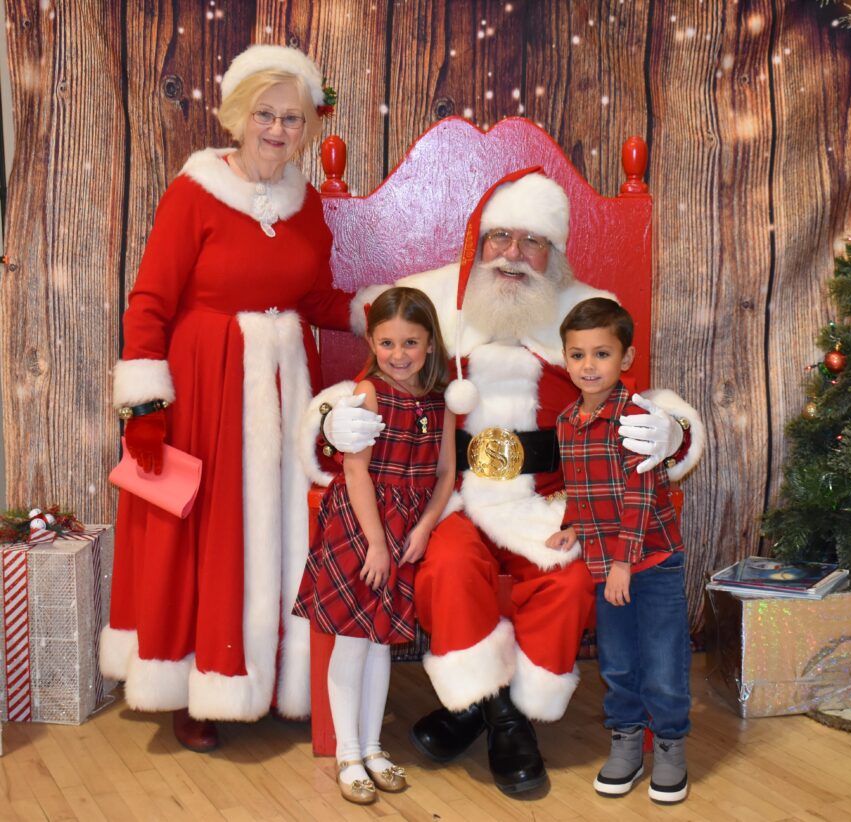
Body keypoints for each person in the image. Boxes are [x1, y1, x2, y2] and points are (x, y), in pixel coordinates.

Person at [304, 168, 704, 795]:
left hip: (549, 501)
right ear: (478, 243)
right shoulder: (431, 305)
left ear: (556, 253)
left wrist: (674, 433)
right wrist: (332, 422)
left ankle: (480, 710)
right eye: (501, 237)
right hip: (453, 497)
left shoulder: (585, 318)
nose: (514, 255)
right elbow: (370, 381)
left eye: (532, 241)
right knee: (446, 569)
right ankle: (505, 720)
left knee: (570, 577)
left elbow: (647, 400)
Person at [99, 44, 383, 753]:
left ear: (306, 127)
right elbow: (150, 302)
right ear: (239, 115)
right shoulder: (194, 192)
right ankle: (196, 684)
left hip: (283, 390)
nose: (278, 130)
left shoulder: (307, 204)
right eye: (266, 114)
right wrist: (144, 406)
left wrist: (379, 315)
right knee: (203, 537)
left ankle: (275, 672)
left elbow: (311, 296)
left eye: (292, 118)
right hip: (204, 387)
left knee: (278, 532)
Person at [293, 288, 456, 805]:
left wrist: (426, 526)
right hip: (361, 529)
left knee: (382, 639)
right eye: (388, 343)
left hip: (407, 530)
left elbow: (447, 473)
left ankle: (373, 746)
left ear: (430, 343)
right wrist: (377, 543)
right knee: (354, 639)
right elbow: (356, 470)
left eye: (411, 342)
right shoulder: (369, 392)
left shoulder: (442, 400)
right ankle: (348, 753)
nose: (399, 354)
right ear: (372, 341)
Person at [546, 298, 690, 804]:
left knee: (664, 661)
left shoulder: (636, 419)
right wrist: (573, 524)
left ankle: (670, 745)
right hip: (607, 565)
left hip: (649, 562)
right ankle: (627, 740)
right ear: (564, 360)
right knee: (618, 662)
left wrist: (623, 563)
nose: (589, 366)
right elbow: (583, 485)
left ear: (626, 359)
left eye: (602, 354)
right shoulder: (567, 422)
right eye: (578, 354)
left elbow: (640, 494)